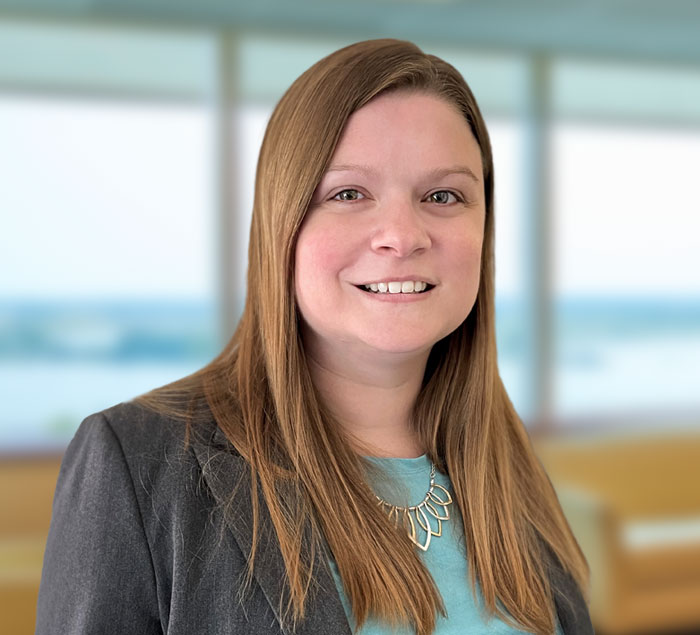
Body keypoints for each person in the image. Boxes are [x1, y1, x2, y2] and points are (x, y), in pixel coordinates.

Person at [36, 39, 593, 635]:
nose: (402, 236)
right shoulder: (142, 462)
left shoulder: (506, 464)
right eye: (348, 194)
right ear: (283, 223)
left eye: (443, 196)